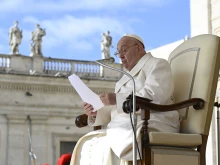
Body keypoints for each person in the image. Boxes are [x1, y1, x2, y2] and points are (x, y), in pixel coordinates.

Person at [70, 34, 180, 165]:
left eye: (124, 50)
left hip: (154, 121)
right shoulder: (125, 78)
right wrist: (96, 112)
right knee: (89, 144)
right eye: (118, 52)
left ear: (138, 48)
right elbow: (115, 109)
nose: (121, 56)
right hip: (126, 124)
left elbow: (155, 96)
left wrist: (117, 99)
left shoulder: (157, 64)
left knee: (107, 145)